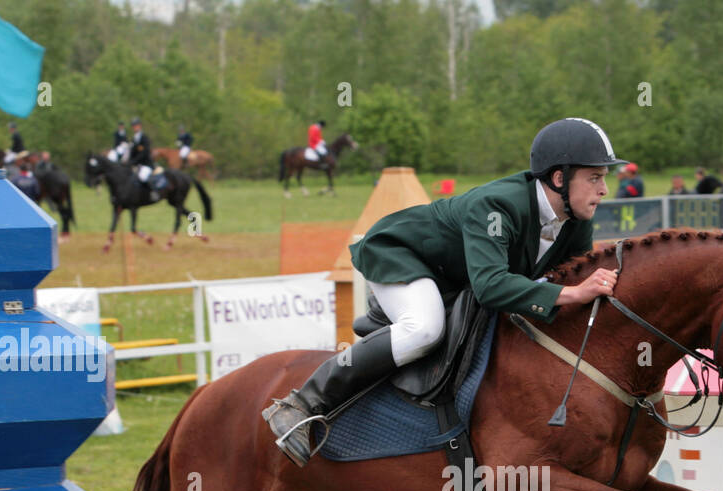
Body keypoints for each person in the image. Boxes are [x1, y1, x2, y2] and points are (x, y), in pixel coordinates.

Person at [265, 117, 627, 466]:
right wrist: (572, 295)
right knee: (424, 329)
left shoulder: (575, 221)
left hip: (453, 277)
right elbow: (491, 286)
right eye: (594, 177)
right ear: (560, 178)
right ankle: (301, 404)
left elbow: (567, 279)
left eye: (604, 178)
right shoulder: (499, 205)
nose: (604, 189)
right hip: (402, 255)